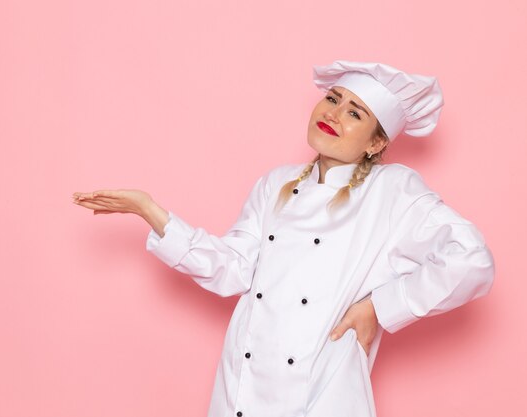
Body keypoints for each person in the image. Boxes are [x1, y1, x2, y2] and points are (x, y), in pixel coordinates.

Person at [72, 60, 495, 417]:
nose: (334, 114)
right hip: (244, 386)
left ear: (376, 142)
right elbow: (234, 269)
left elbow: (472, 259)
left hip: (324, 393)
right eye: (333, 100)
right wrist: (152, 212)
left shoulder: (393, 191)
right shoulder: (276, 183)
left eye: (355, 113)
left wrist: (380, 307)